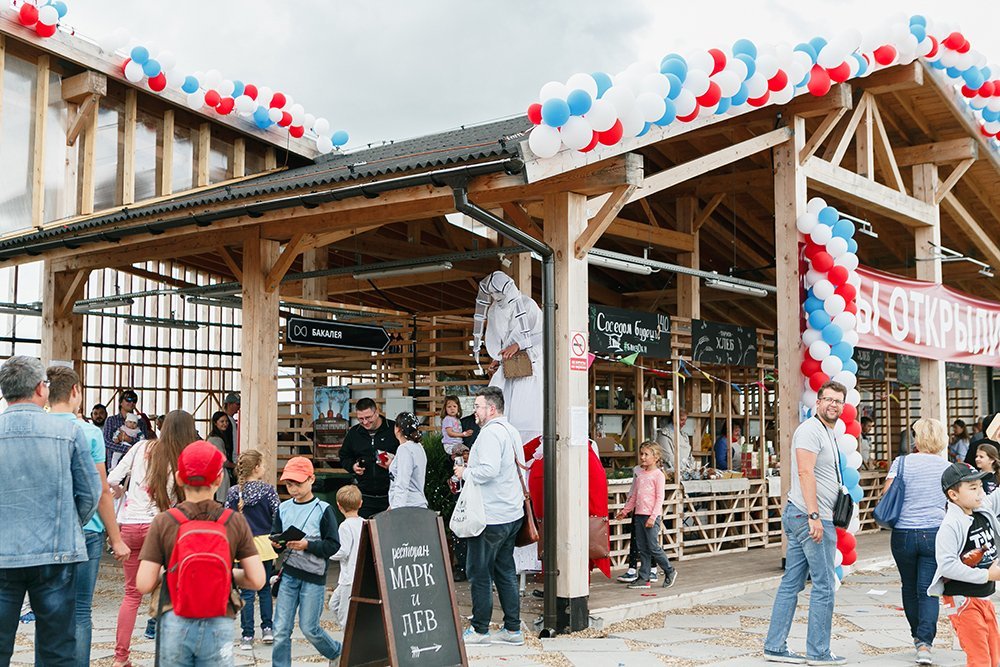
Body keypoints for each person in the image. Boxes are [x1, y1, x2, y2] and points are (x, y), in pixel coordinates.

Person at [0, 356, 101, 666]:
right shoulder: (70, 433)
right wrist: (69, 524)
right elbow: (90, 493)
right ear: (40, 389)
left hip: (3, 552)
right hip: (55, 553)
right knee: (57, 649)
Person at [135, 441, 264, 666]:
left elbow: (144, 583)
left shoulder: (164, 522)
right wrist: (228, 573)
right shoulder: (234, 521)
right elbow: (257, 579)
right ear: (219, 479)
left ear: (178, 478)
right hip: (219, 619)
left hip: (174, 617)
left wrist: (172, 570)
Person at [46, 365, 131, 667]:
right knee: (82, 610)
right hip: (88, 530)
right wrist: (116, 537)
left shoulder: (39, 426)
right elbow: (101, 490)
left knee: (50, 608)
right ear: (75, 392)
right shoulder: (89, 433)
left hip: (48, 530)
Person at [764, 381, 849, 665]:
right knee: (824, 584)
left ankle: (774, 647)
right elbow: (804, 472)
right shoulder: (810, 430)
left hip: (806, 514)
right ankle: (819, 652)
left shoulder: (827, 432)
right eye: (828, 399)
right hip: (811, 516)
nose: (833, 405)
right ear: (818, 402)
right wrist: (814, 515)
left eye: (838, 401)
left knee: (792, 582)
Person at [107, 409, 197, 667]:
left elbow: (112, 478)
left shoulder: (140, 447)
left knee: (131, 594)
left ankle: (120, 657)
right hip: (162, 527)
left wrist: (121, 490)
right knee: (173, 590)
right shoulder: (183, 457)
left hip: (130, 527)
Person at [453, 386, 526, 646]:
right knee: (505, 570)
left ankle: (480, 629)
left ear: (491, 409)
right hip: (512, 512)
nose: (475, 411)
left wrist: (464, 473)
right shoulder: (511, 431)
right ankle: (512, 629)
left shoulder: (490, 434)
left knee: (478, 572)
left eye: (478, 407)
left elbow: (488, 471)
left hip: (491, 515)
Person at [882, 417, 952, 666]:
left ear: (917, 438)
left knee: (908, 587)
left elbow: (887, 493)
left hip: (903, 534)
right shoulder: (947, 467)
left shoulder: (901, 463)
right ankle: (925, 644)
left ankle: (917, 637)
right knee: (929, 590)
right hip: (934, 533)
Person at [270, 457, 342, 667]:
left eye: (298, 483)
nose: (293, 488)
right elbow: (277, 535)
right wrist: (278, 544)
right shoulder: (283, 508)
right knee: (281, 629)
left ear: (311, 479)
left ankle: (336, 651)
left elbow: (333, 545)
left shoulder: (323, 509)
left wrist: (307, 546)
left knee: (310, 628)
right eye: (289, 484)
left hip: (314, 577)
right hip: (289, 575)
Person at [927, 462, 1000, 667]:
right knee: (980, 659)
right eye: (973, 488)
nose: (980, 492)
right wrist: (987, 575)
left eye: (981, 486)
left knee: (995, 657)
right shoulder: (951, 525)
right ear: (953, 495)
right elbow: (947, 565)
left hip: (984, 596)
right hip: (963, 600)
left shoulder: (981, 512)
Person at [471, 270, 543, 442]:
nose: (496, 296)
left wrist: (519, 344)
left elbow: (543, 335)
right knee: (499, 411)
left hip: (529, 369)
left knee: (525, 414)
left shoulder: (527, 305)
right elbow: (498, 340)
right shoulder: (494, 309)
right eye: (492, 294)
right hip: (507, 370)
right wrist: (498, 356)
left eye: (499, 292)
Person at [225, 449, 280, 650]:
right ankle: (268, 629)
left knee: (247, 592)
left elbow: (227, 520)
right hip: (265, 545)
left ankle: (247, 636)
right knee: (264, 588)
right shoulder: (268, 491)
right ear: (256, 468)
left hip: (243, 546)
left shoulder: (232, 492)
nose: (264, 468)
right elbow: (277, 515)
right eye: (263, 465)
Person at [615, 442, 677, 590]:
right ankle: (644, 577)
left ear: (655, 457)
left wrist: (653, 517)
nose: (642, 457)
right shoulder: (639, 473)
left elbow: (659, 498)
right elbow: (634, 495)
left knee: (653, 547)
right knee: (642, 548)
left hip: (651, 516)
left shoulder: (658, 475)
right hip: (639, 515)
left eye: (646, 454)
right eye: (641, 454)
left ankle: (670, 570)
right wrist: (625, 511)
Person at [338, 398, 397, 518]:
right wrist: (352, 466)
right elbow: (344, 456)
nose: (365, 422)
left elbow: (405, 457)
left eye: (368, 417)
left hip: (391, 495)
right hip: (364, 496)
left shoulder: (393, 429)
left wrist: (393, 464)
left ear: (377, 412)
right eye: (361, 419)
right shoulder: (354, 433)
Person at [327, 485, 364, 629]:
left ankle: (349, 641)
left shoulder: (345, 526)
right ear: (360, 503)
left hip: (348, 577)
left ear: (339, 506)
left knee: (343, 614)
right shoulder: (364, 522)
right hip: (354, 575)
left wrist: (328, 552)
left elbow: (343, 551)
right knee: (333, 604)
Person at [387, 412, 428, 509]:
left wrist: (396, 509)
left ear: (398, 429)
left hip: (407, 506)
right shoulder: (418, 447)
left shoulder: (404, 449)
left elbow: (402, 482)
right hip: (417, 503)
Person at [104, 389, 150, 469]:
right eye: (128, 400)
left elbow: (144, 442)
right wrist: (126, 449)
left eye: (134, 400)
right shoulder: (111, 420)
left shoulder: (140, 421)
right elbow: (107, 441)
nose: (131, 402)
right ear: (121, 402)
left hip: (134, 465)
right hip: (115, 465)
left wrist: (129, 439)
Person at [657, 408, 695, 475]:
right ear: (674, 418)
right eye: (682, 420)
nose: (684, 423)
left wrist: (690, 470)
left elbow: (689, 456)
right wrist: (683, 470)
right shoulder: (664, 434)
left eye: (685, 420)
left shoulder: (684, 436)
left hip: (685, 473)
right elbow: (668, 457)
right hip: (671, 474)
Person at [207, 410, 235, 502]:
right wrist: (235, 466)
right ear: (215, 423)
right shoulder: (216, 440)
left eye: (226, 421)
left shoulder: (215, 437)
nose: (225, 424)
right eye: (222, 421)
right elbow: (222, 461)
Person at [222, 391, 241, 458]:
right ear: (229, 404)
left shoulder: (231, 421)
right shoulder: (226, 421)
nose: (239, 407)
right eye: (237, 404)